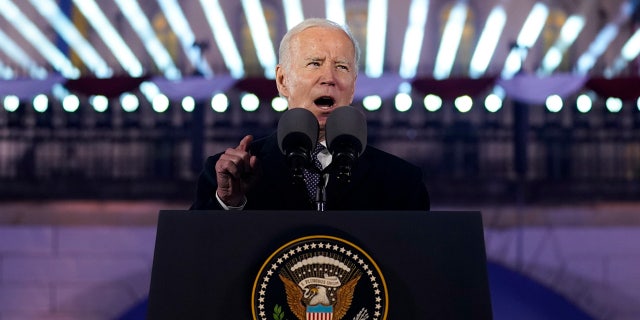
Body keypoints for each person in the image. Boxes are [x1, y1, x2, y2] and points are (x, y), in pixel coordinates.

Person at [190, 18, 429, 211]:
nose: (329, 78)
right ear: (283, 81)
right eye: (315, 63)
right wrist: (230, 203)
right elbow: (193, 258)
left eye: (342, 67)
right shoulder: (227, 174)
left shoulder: (402, 182)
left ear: (353, 85)